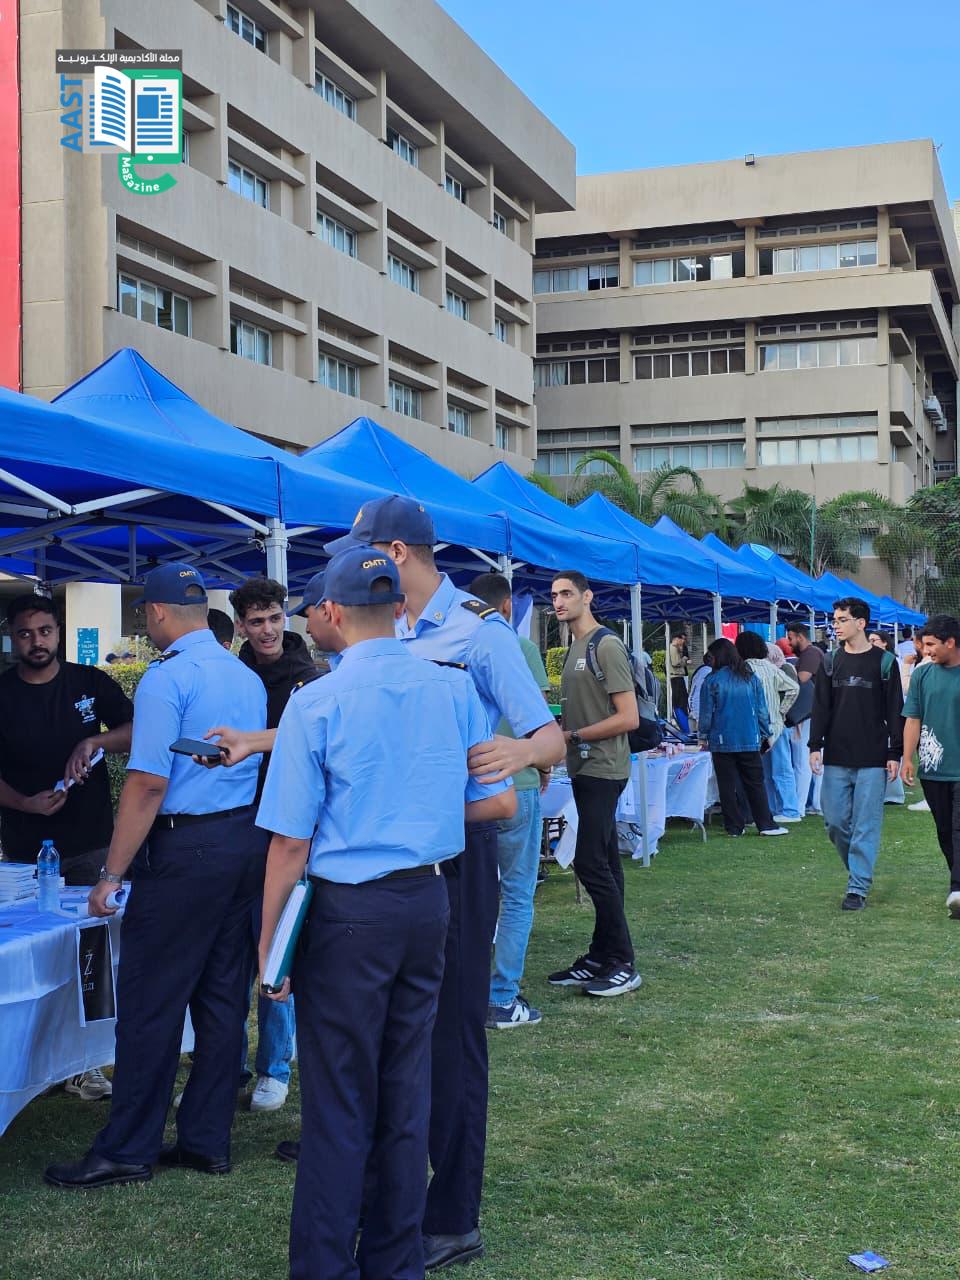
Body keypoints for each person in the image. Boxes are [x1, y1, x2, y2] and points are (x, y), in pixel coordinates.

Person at [255, 546, 515, 1280]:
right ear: (400, 608)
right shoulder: (451, 688)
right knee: (406, 1091)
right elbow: (494, 801)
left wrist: (269, 949)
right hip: (426, 902)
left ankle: (326, 1265)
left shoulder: (317, 700)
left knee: (339, 1100)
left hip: (350, 912)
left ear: (332, 613)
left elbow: (288, 843)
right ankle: (395, 1262)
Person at [324, 494, 563, 1271]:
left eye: (363, 553)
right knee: (390, 1037)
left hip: (458, 851)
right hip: (390, 861)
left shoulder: (479, 633)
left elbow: (549, 736)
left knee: (452, 1036)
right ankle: (387, 1202)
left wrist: (517, 754)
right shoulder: (380, 627)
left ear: (395, 553)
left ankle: (453, 1212)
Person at [44, 563, 268, 1190]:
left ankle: (128, 1147)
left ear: (159, 613)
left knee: (150, 1003)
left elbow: (146, 785)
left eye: (145, 614)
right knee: (222, 1001)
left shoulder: (165, 677)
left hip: (184, 850)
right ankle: (205, 1140)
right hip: (239, 840)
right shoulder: (244, 674)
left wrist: (110, 873)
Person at [0, 592, 134, 1103]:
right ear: (12, 636)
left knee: (92, 954)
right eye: (26, 633)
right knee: (33, 958)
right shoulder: (3, 693)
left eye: (45, 631)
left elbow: (135, 730)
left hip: (91, 844)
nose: (37, 642)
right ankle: (34, 1062)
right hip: (24, 855)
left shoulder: (89, 683)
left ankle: (89, 1061)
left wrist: (94, 742)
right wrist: (25, 804)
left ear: (58, 631)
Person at [548, 570, 642, 996]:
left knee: (589, 862)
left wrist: (574, 737)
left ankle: (622, 959)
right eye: (554, 595)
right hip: (583, 767)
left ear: (587, 596)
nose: (559, 601)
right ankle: (602, 955)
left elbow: (629, 717)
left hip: (604, 767)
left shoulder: (605, 644)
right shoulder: (574, 647)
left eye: (567, 593)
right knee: (604, 861)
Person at [468, 571, 550, 1030]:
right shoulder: (518, 647)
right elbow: (538, 722)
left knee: (474, 896)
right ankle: (501, 996)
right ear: (506, 608)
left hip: (471, 791)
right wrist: (543, 765)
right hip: (516, 784)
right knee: (517, 894)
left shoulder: (455, 645)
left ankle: (470, 988)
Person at [809, 598, 903, 911]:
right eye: (834, 620)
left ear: (860, 623)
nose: (835, 625)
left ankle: (857, 888)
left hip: (873, 758)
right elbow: (820, 706)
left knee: (865, 824)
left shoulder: (885, 662)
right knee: (835, 823)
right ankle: (859, 871)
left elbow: (895, 711)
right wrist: (814, 745)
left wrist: (894, 752)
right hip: (836, 755)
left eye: (842, 620)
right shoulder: (829, 661)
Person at [697, 638, 787, 839]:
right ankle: (765, 824)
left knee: (727, 785)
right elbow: (762, 710)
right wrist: (766, 734)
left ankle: (734, 826)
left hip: (721, 740)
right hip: (749, 738)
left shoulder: (711, 680)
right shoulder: (750, 678)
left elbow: (706, 713)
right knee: (755, 783)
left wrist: (702, 736)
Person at [901, 615, 960, 917]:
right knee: (944, 831)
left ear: (951, 642)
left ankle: (957, 888)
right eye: (924, 645)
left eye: (931, 645)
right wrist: (907, 758)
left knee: (959, 828)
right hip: (934, 768)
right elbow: (913, 718)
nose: (926, 651)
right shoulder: (922, 675)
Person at [734, 631, 801, 822]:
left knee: (763, 772)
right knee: (782, 768)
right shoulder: (771, 668)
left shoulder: (743, 669)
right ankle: (788, 809)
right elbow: (794, 688)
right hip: (776, 725)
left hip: (754, 727)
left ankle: (778, 809)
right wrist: (781, 711)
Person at [787, 623, 824, 816]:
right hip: (814, 714)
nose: (789, 642)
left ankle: (799, 807)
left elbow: (801, 679)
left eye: (790, 638)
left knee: (803, 761)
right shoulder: (812, 653)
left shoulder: (810, 654)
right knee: (813, 761)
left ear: (800, 637)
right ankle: (816, 804)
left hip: (809, 715)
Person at [688, 650, 714, 727]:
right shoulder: (706, 672)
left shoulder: (705, 671)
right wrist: (699, 718)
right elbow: (694, 697)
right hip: (703, 718)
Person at [668, 631, 690, 714]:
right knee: (680, 699)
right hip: (676, 676)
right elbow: (675, 663)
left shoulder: (676, 648)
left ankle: (680, 713)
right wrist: (684, 659)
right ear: (677, 639)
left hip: (678, 676)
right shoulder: (673, 648)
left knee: (682, 697)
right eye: (682, 639)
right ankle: (679, 714)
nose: (683, 641)